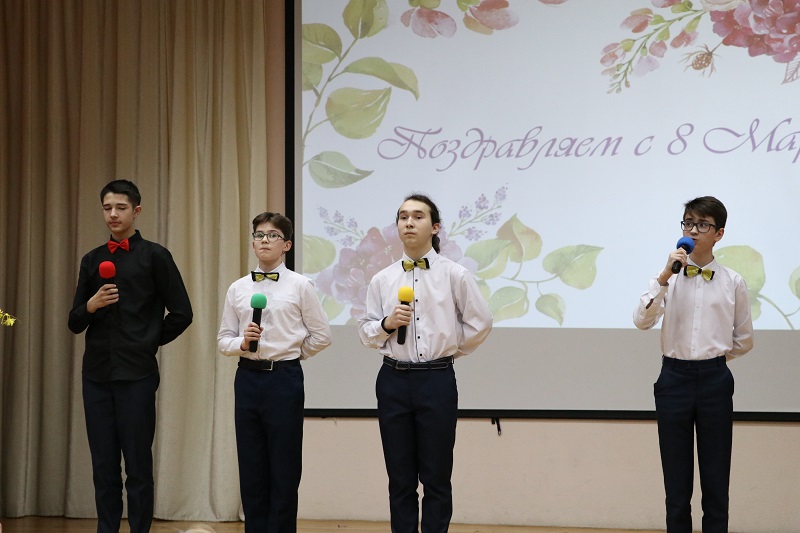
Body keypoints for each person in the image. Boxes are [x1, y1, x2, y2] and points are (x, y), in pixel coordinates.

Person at [358, 193, 493, 533]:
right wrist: (387, 324)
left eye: (418, 216)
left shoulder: (455, 274)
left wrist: (448, 352)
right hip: (393, 380)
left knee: (436, 476)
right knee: (400, 477)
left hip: (436, 380)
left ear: (434, 227)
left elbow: (480, 323)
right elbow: (366, 332)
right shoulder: (382, 279)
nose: (409, 222)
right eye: (403, 217)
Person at [68, 179, 193, 533]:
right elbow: (74, 322)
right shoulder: (92, 259)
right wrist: (91, 305)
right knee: (103, 465)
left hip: (137, 375)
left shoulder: (155, 256)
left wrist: (147, 341)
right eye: (107, 208)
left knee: (137, 465)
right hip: (95, 376)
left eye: (120, 207)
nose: (113, 214)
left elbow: (182, 313)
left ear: (136, 211)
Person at [633, 196, 753, 533]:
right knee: (676, 484)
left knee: (716, 481)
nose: (693, 230)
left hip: (715, 379)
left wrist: (712, 359)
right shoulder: (667, 278)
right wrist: (663, 278)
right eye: (688, 223)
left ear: (719, 233)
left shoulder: (733, 282)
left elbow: (744, 339)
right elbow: (641, 321)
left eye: (702, 224)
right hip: (673, 379)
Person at [217, 212, 331, 533]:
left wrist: (291, 354)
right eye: (259, 235)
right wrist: (242, 342)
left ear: (287, 245)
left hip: (284, 380)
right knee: (251, 465)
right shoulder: (238, 288)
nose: (264, 240)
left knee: (284, 467)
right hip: (247, 377)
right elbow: (223, 340)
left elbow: (322, 335)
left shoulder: (301, 285)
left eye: (272, 235)